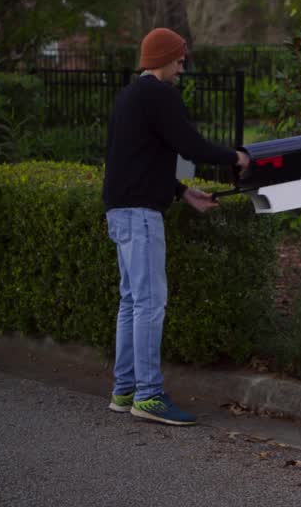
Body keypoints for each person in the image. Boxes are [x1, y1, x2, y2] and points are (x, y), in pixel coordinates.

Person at [101, 27, 251, 426]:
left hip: (120, 210)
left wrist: (182, 192)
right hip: (140, 214)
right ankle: (148, 396)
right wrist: (235, 157)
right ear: (166, 58)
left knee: (132, 302)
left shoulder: (129, 96)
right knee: (150, 303)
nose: (183, 68)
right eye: (181, 60)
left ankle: (125, 389)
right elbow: (191, 145)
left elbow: (135, 158)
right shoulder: (159, 94)